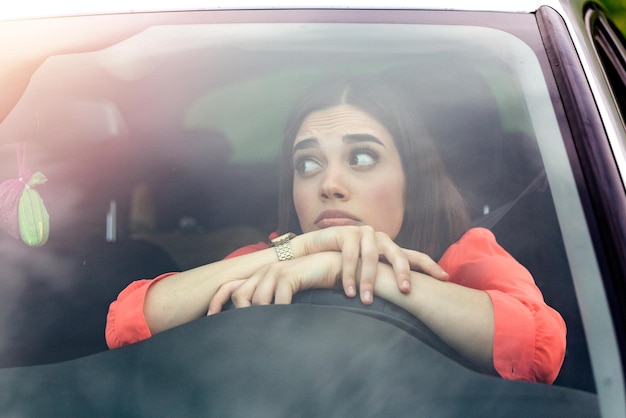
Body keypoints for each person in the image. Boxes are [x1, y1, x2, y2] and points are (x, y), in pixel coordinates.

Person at [105, 76, 566, 384]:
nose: (329, 185)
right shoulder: (268, 258)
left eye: (361, 158)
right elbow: (129, 324)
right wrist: (302, 250)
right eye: (307, 164)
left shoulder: (464, 259)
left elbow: (536, 349)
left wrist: (347, 270)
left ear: (413, 179)